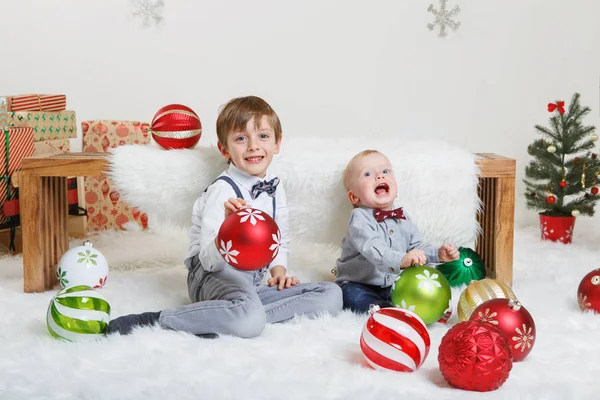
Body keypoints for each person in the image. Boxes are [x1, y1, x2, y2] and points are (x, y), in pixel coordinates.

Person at [107, 96, 342, 337]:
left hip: (252, 281)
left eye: (263, 136)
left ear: (277, 143)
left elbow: (279, 236)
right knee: (248, 319)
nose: (253, 146)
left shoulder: (274, 186)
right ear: (224, 149)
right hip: (212, 275)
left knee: (331, 296)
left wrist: (279, 272)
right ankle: (161, 320)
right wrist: (228, 230)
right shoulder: (223, 190)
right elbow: (209, 261)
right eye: (241, 138)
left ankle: (234, 315)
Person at [334, 150, 459, 314]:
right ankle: (384, 312)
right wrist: (401, 259)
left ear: (396, 189)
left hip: (392, 284)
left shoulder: (403, 218)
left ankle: (409, 310)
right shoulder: (359, 218)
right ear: (354, 197)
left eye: (385, 171)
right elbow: (374, 248)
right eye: (368, 174)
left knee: (413, 294)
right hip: (358, 283)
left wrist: (437, 254)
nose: (380, 176)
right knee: (352, 297)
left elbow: (416, 246)